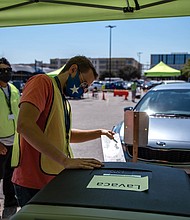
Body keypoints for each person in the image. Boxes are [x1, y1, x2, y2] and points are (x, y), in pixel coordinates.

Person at [12, 55, 115, 207]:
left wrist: (98, 132)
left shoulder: (61, 98)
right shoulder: (42, 82)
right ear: (73, 70)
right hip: (33, 182)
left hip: (51, 177)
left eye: (87, 87)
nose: (83, 89)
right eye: (84, 83)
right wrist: (65, 161)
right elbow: (24, 125)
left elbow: (64, 135)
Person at [0, 57, 19, 218]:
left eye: (8, 70)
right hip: (0, 142)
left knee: (10, 174)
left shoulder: (13, 89)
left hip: (14, 139)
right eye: (2, 70)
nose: (6, 73)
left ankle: (10, 200)